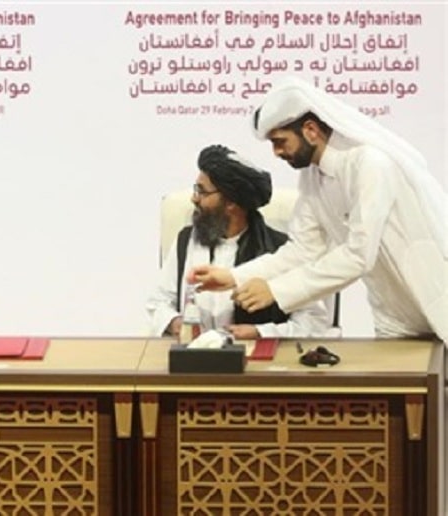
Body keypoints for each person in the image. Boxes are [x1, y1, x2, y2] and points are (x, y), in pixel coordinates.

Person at [189, 76, 447, 341]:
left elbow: (359, 254)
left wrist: (277, 291)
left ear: (310, 130)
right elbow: (303, 249)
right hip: (394, 319)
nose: (276, 152)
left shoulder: (370, 164)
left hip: (438, 303)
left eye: (280, 141)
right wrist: (233, 276)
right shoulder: (312, 178)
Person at [146, 145, 330, 339]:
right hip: (192, 353)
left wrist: (260, 332)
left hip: (256, 356)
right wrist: (176, 323)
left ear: (231, 203)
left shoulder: (282, 252)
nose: (194, 198)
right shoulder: (186, 241)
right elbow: (158, 302)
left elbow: (314, 321)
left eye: (202, 191)